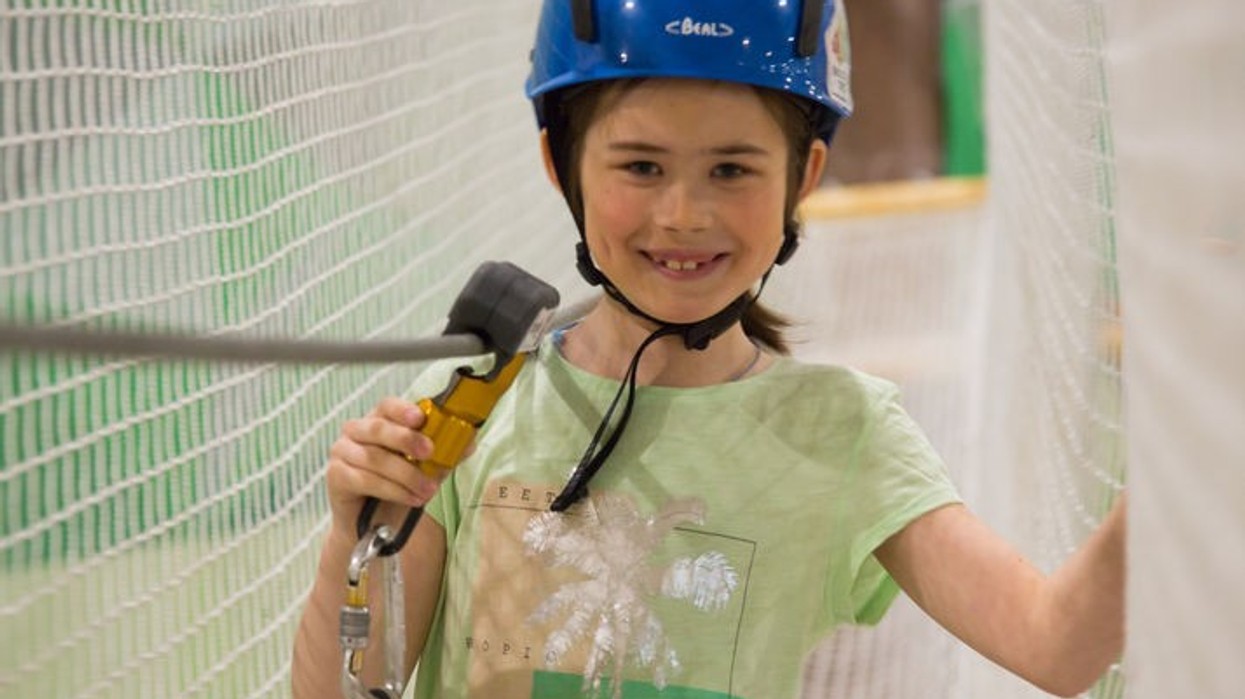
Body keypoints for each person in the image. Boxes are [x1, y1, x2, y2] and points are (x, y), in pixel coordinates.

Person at [292, 1, 1126, 698]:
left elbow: (1054, 645)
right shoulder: (472, 402)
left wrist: (1191, 427)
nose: (683, 214)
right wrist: (351, 533)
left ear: (803, 178)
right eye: (642, 166)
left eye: (731, 169)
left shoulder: (845, 432)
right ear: (560, 162)